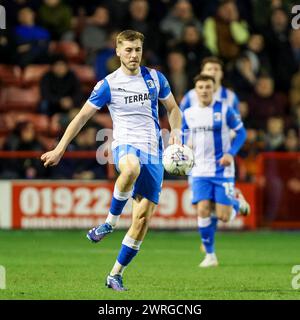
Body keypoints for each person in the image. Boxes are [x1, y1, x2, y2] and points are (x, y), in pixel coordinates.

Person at [40, 30, 182, 290]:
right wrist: (60, 148)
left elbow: (172, 108)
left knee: (141, 222)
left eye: (137, 49)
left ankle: (115, 274)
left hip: (154, 152)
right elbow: (81, 117)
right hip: (125, 145)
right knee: (130, 169)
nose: (133, 55)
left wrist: (176, 134)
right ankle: (109, 223)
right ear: (117, 51)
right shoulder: (108, 84)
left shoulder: (155, 78)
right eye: (128, 50)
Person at [180, 57, 250, 251]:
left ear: (220, 73)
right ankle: (208, 244)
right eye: (208, 68)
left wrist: (228, 147)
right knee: (202, 206)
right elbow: (180, 120)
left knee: (221, 212)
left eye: (216, 69)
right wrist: (184, 144)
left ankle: (231, 203)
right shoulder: (191, 96)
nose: (212, 72)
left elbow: (237, 125)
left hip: (220, 156)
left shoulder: (229, 98)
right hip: (198, 159)